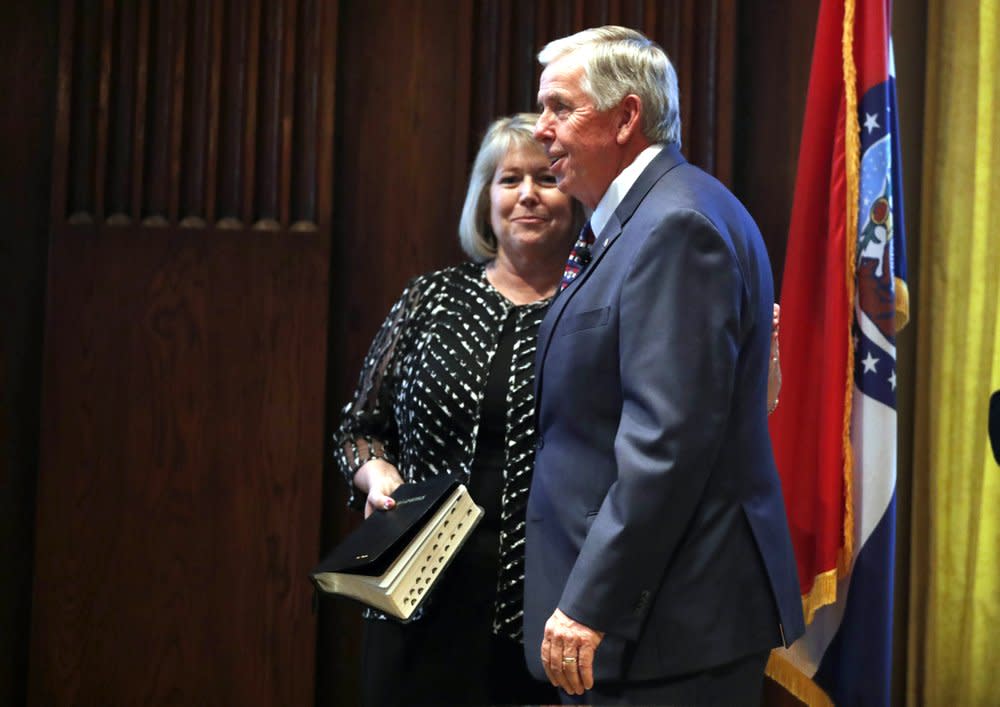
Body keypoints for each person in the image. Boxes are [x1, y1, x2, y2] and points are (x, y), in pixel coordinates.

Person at [523, 26, 806, 706]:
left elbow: (666, 442)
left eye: (561, 107)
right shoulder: (642, 219)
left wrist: (591, 599)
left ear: (626, 117)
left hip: (665, 627)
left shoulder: (676, 226)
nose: (541, 130)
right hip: (649, 625)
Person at [333, 114, 571, 707]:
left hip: (549, 601)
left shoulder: (594, 306)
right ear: (485, 201)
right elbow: (359, 430)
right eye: (509, 179)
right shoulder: (430, 298)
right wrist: (377, 473)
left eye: (545, 178)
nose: (527, 195)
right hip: (420, 588)